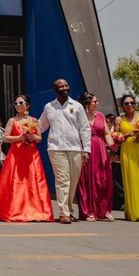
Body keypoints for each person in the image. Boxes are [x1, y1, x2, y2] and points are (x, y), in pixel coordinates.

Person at [0, 95, 54, 222]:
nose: (18, 105)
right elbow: (5, 137)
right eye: (16, 103)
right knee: (15, 181)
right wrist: (19, 138)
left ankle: (36, 211)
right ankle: (13, 210)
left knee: (33, 182)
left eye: (20, 103)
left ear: (27, 105)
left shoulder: (34, 120)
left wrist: (32, 137)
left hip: (31, 154)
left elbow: (40, 138)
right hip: (16, 153)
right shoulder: (12, 120)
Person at [39, 79, 91, 224]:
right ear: (55, 89)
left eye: (66, 85)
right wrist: (27, 129)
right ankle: (63, 213)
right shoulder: (49, 107)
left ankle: (68, 209)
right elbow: (41, 126)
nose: (65, 88)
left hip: (75, 148)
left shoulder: (78, 106)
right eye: (61, 86)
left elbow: (85, 129)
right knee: (62, 180)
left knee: (72, 181)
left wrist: (86, 149)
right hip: (56, 148)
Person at [76, 92, 114, 222]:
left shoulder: (100, 115)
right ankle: (88, 211)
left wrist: (111, 143)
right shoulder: (79, 116)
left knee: (103, 179)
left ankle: (105, 210)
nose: (97, 103)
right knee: (86, 180)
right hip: (86, 149)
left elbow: (107, 133)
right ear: (87, 103)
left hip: (100, 148)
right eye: (94, 101)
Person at [114, 94, 139, 221]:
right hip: (127, 152)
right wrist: (128, 134)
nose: (130, 105)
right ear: (122, 106)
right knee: (131, 180)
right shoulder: (119, 120)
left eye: (132, 103)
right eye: (127, 103)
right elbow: (116, 139)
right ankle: (135, 212)